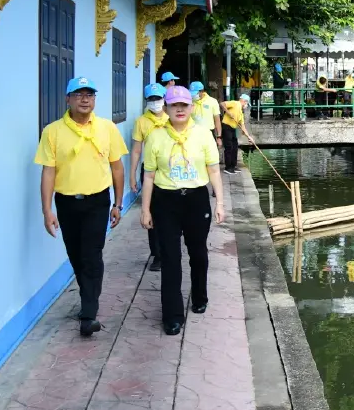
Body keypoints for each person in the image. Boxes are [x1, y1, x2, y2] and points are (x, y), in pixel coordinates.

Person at [35, 77, 128, 337]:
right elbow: (48, 172)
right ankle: (88, 299)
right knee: (76, 255)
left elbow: (117, 167)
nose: (85, 99)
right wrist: (47, 210)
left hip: (98, 201)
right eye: (78, 94)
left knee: (91, 255)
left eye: (89, 94)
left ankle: (88, 314)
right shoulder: (52, 131)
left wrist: (118, 203)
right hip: (66, 203)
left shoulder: (107, 128)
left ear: (95, 99)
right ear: (68, 99)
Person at [141, 86, 226, 335]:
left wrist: (219, 203)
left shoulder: (202, 134)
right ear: (166, 108)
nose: (179, 109)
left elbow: (213, 171)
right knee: (170, 257)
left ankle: (199, 296)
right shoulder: (156, 137)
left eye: (184, 105)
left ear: (191, 107)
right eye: (174, 105)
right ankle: (172, 314)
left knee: (198, 253)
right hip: (165, 200)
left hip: (196, 200)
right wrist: (145, 209)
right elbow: (148, 176)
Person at [130, 83, 169, 272]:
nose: (155, 102)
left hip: (170, 169)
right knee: (152, 211)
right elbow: (137, 150)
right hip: (150, 171)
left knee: (169, 212)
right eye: (151, 99)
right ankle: (157, 254)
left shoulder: (172, 117)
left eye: (158, 98)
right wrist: (132, 175)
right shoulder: (141, 122)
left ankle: (170, 249)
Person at [188, 81, 223, 148]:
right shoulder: (189, 101)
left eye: (195, 93)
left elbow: (217, 120)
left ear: (201, 91)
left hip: (208, 132)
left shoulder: (212, 101)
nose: (193, 95)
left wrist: (219, 137)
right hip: (193, 133)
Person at [221, 88, 245, 174]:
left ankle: (233, 166)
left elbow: (243, 126)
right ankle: (228, 167)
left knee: (235, 146)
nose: (246, 105)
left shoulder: (241, 112)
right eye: (246, 103)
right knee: (229, 147)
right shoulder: (235, 103)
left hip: (232, 128)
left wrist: (248, 135)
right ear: (244, 101)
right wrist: (228, 112)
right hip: (226, 126)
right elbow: (222, 104)